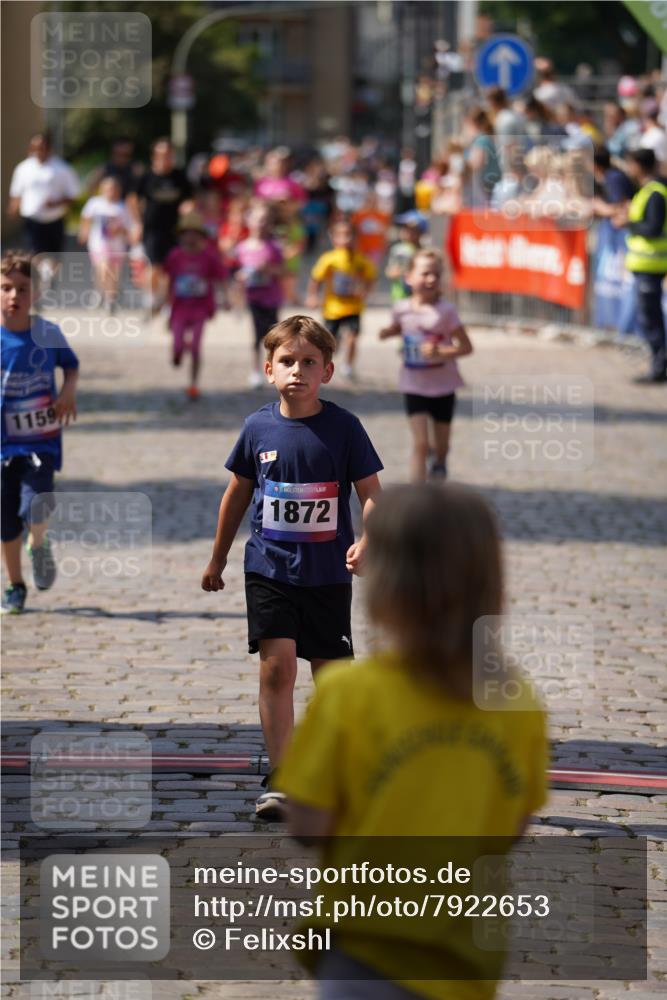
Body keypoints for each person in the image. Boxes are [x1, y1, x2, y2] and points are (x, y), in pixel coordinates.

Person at [277, 482, 548, 999]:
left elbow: (309, 823)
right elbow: (512, 826)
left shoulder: (347, 694)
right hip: (465, 954)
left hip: (362, 945)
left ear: (385, 588)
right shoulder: (517, 702)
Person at [201, 315, 383, 820]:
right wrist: (218, 557)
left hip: (328, 573)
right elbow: (237, 494)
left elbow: (371, 493)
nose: (297, 370)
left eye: (309, 362)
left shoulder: (345, 428)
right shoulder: (257, 428)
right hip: (269, 568)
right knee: (277, 668)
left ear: (328, 370)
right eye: (287, 361)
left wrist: (368, 539)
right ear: (269, 369)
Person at [1, 250, 79, 614]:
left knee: (36, 503)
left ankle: (38, 542)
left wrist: (68, 392)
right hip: (2, 444)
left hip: (39, 440)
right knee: (5, 522)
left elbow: (71, 365)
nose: (14, 295)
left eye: (22, 288)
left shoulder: (47, 333)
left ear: (35, 293)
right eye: (6, 288)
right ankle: (15, 585)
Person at [379, 249, 472, 481]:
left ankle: (440, 462)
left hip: (443, 386)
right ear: (409, 277)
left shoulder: (446, 311)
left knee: (442, 446)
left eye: (436, 275)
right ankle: (418, 494)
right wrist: (388, 332)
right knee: (420, 444)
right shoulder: (401, 308)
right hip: (414, 384)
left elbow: (466, 347)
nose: (431, 279)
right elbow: (400, 328)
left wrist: (441, 351)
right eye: (425, 273)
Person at [612, 147, 667, 382]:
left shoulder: (655, 193)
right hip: (645, 265)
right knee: (649, 318)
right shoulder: (647, 190)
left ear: (638, 165)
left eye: (630, 163)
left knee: (651, 319)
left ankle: (659, 368)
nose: (628, 168)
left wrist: (628, 223)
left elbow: (652, 228)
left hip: (651, 265)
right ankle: (658, 365)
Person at [164, 212, 227, 400]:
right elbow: (168, 280)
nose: (190, 238)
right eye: (186, 233)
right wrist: (161, 302)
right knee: (177, 346)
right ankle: (178, 351)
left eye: (194, 233)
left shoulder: (209, 257)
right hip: (179, 308)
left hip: (201, 308)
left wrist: (226, 298)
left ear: (201, 236)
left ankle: (193, 384)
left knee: (196, 348)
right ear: (181, 235)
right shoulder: (175, 256)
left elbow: (220, 279)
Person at [306, 219, 376, 380]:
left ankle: (348, 366)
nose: (346, 239)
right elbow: (316, 279)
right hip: (332, 309)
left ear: (356, 237)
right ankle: (323, 365)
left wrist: (365, 291)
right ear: (333, 238)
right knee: (329, 342)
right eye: (341, 235)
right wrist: (312, 296)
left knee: (353, 337)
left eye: (349, 235)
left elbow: (371, 277)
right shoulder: (329, 259)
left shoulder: (361, 260)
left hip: (353, 307)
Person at [130, 138, 192, 314]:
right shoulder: (146, 177)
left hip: (175, 229)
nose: (165, 158)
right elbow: (133, 199)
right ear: (154, 156)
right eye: (162, 155)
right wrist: (137, 223)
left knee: (172, 267)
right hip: (152, 229)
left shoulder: (179, 176)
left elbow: (189, 198)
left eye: (169, 155)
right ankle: (151, 298)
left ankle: (167, 302)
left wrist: (188, 208)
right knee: (154, 264)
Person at [233, 202, 285, 388]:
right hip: (252, 298)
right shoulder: (242, 248)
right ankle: (256, 371)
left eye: (265, 220)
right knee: (257, 335)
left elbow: (282, 271)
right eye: (258, 219)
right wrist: (240, 280)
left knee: (274, 336)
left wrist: (268, 269)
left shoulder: (274, 247)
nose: (261, 224)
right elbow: (236, 273)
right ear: (249, 221)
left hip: (271, 298)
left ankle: (275, 368)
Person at [7, 133, 80, 258]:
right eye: (35, 148)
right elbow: (17, 192)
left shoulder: (62, 168)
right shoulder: (23, 168)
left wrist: (56, 203)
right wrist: (13, 208)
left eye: (42, 147)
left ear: (49, 148)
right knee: (35, 255)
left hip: (54, 221)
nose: (38, 151)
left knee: (54, 257)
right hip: (32, 221)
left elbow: (73, 195)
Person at [78, 175, 133, 314]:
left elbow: (129, 228)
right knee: (104, 268)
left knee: (114, 273)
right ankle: (102, 292)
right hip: (99, 242)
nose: (111, 192)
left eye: (114, 189)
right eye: (108, 189)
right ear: (102, 189)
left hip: (117, 245)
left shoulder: (122, 207)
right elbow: (86, 218)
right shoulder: (94, 203)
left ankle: (110, 298)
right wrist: (84, 232)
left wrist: (119, 230)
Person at [384, 211, 427, 302]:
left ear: (420, 232)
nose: (406, 232)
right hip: (400, 296)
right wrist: (398, 272)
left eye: (411, 229)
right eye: (404, 228)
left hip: (419, 297)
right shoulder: (398, 250)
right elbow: (390, 271)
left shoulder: (424, 252)